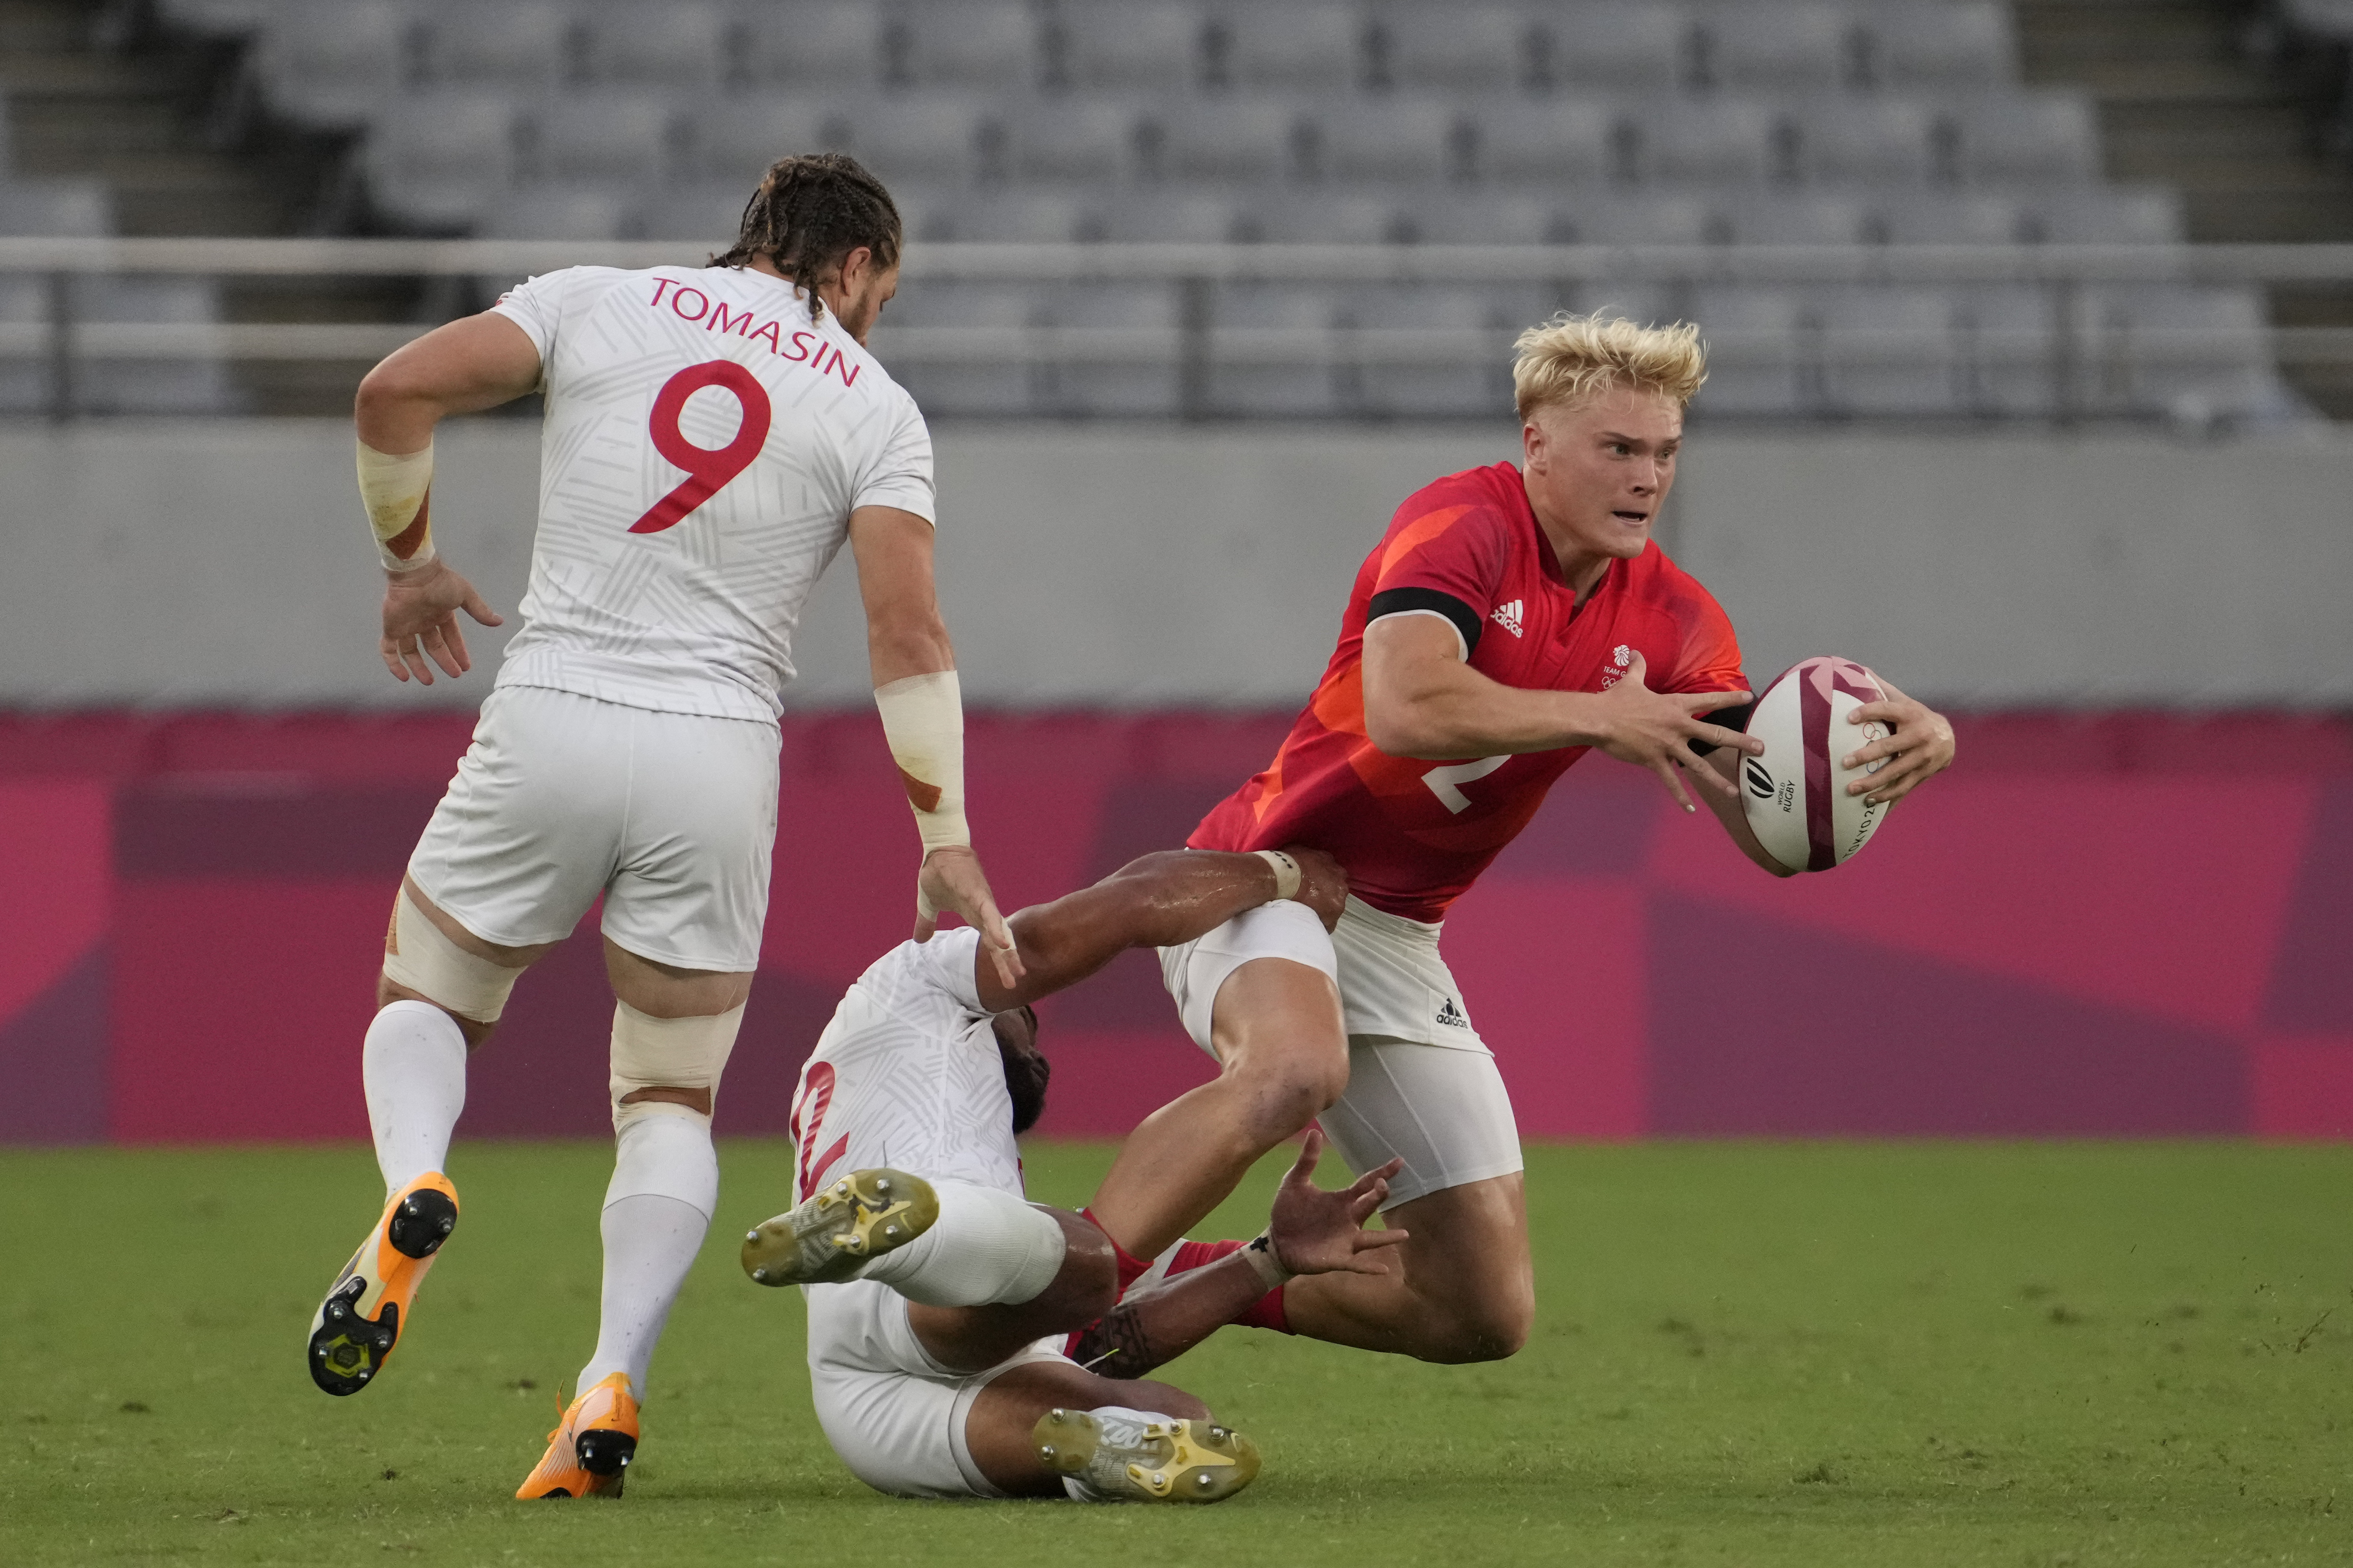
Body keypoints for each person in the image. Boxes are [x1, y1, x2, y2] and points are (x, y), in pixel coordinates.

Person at [302, 153, 1024, 1502]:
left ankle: (417, 1183)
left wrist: (410, 570)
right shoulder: (875, 406)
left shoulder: (594, 301)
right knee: (670, 1098)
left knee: (432, 996)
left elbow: (389, 391)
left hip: (555, 706)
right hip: (715, 749)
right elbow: (905, 629)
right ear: (858, 268)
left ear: (751, 235)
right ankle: (607, 1382)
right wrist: (944, 826)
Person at [1081, 313, 1960, 1365]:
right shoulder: (1462, 523)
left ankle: (1203, 1280)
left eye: (1666, 453)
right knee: (1291, 1073)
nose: (1648, 478)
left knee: (1478, 1312)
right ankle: (1054, 1295)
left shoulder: (1676, 620)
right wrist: (1597, 714)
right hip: (1269, 880)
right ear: (1538, 444)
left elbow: (1767, 832)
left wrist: (1881, 758)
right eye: (1619, 449)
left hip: (1400, 939)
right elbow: (1406, 705)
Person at [744, 844, 1405, 1502]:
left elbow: (1107, 1345)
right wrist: (1278, 875)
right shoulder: (915, 980)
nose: (1036, 1033)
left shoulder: (924, 1115)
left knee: (1174, 1415)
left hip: (860, 1387)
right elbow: (1128, 901)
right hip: (914, 1280)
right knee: (1088, 1266)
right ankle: (920, 1236)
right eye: (1026, 1016)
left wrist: (1268, 1260)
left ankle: (1098, 1442)